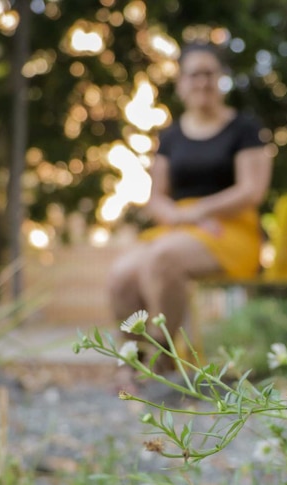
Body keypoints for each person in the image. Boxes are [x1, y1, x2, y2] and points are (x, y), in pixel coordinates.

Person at [108, 43, 272, 364]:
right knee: (121, 273)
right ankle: (132, 362)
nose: (202, 82)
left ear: (221, 79)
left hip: (231, 230)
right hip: (180, 227)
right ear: (182, 83)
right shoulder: (170, 138)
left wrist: (199, 212)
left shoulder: (244, 129)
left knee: (164, 258)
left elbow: (252, 190)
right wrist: (181, 217)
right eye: (194, 74)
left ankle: (165, 359)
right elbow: (156, 197)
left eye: (209, 73)